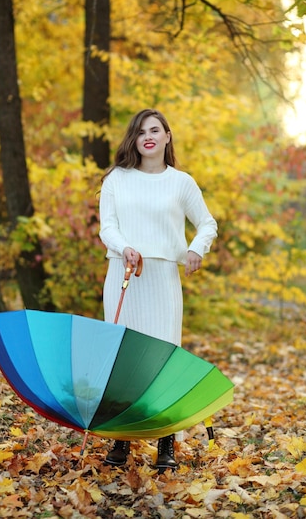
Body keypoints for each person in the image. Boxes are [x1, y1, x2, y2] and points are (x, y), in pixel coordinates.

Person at [99, 108, 218, 471]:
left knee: (163, 354)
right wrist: (124, 248)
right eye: (140, 131)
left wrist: (197, 248)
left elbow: (207, 223)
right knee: (122, 356)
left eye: (155, 130)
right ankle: (121, 439)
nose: (147, 136)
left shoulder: (181, 182)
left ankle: (166, 441)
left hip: (163, 278)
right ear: (133, 139)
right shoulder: (116, 179)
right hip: (125, 273)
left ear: (167, 136)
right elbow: (107, 226)